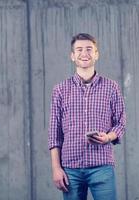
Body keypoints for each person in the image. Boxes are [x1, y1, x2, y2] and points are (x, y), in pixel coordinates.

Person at [48, 33, 126, 200]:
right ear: (72, 56)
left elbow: (120, 123)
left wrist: (108, 137)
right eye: (79, 49)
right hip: (70, 168)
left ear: (96, 54)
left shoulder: (111, 87)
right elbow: (54, 134)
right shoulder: (60, 90)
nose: (84, 53)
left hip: (102, 166)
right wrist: (56, 168)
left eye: (89, 49)